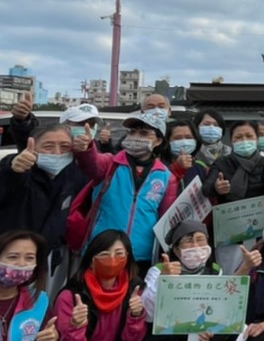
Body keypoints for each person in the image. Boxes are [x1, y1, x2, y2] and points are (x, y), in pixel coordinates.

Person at [48, 230, 170, 341]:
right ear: (91, 258)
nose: (112, 260)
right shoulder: (72, 295)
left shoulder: (133, 288)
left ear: (128, 258)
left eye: (119, 254)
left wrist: (136, 316)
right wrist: (76, 327)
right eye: (104, 254)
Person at [0, 122, 82, 266]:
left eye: (65, 147)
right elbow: (3, 186)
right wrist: (14, 169)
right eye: (48, 146)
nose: (57, 152)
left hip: (29, 263)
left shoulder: (69, 176)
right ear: (33, 148)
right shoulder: (20, 170)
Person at [70, 108, 178, 264]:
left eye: (144, 133)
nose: (136, 137)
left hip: (141, 255)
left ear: (159, 141)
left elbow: (166, 220)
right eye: (132, 132)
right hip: (102, 249)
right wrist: (87, 149)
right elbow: (91, 165)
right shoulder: (110, 164)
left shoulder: (167, 176)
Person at [138, 221, 227, 341]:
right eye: (188, 241)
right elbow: (146, 313)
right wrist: (165, 281)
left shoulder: (215, 271)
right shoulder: (159, 270)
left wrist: (209, 329)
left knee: (219, 334)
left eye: (200, 240)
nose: (196, 247)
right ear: (176, 250)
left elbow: (217, 308)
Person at [203, 120, 264, 274]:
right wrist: (216, 188)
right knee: (231, 278)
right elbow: (206, 188)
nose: (244, 141)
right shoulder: (222, 163)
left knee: (261, 278)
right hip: (231, 237)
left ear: (256, 139)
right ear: (232, 141)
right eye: (238, 137)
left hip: (263, 235)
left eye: (249, 136)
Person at [189, 110, 228, 184]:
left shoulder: (229, 153)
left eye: (216, 125)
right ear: (196, 127)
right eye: (206, 124)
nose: (211, 128)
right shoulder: (191, 152)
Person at [162, 116, 200, 187]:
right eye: (177, 138)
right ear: (167, 141)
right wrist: (177, 168)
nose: (184, 142)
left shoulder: (201, 167)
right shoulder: (158, 165)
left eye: (188, 137)